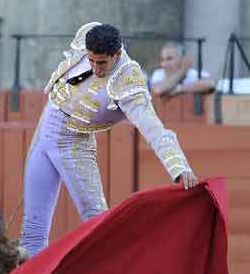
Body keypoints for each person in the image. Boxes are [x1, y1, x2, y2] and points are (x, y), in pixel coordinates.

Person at [21, 23, 199, 257]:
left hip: (73, 143)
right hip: (45, 130)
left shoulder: (129, 82)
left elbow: (154, 128)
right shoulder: (88, 32)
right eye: (91, 60)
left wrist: (179, 166)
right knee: (32, 228)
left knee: (97, 221)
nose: (95, 68)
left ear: (117, 54)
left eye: (102, 63)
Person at [150, 42, 215, 98]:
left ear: (182, 59)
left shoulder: (194, 73)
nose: (164, 64)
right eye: (162, 59)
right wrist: (182, 71)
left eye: (169, 59)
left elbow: (211, 84)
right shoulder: (158, 74)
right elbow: (157, 89)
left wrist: (179, 89)